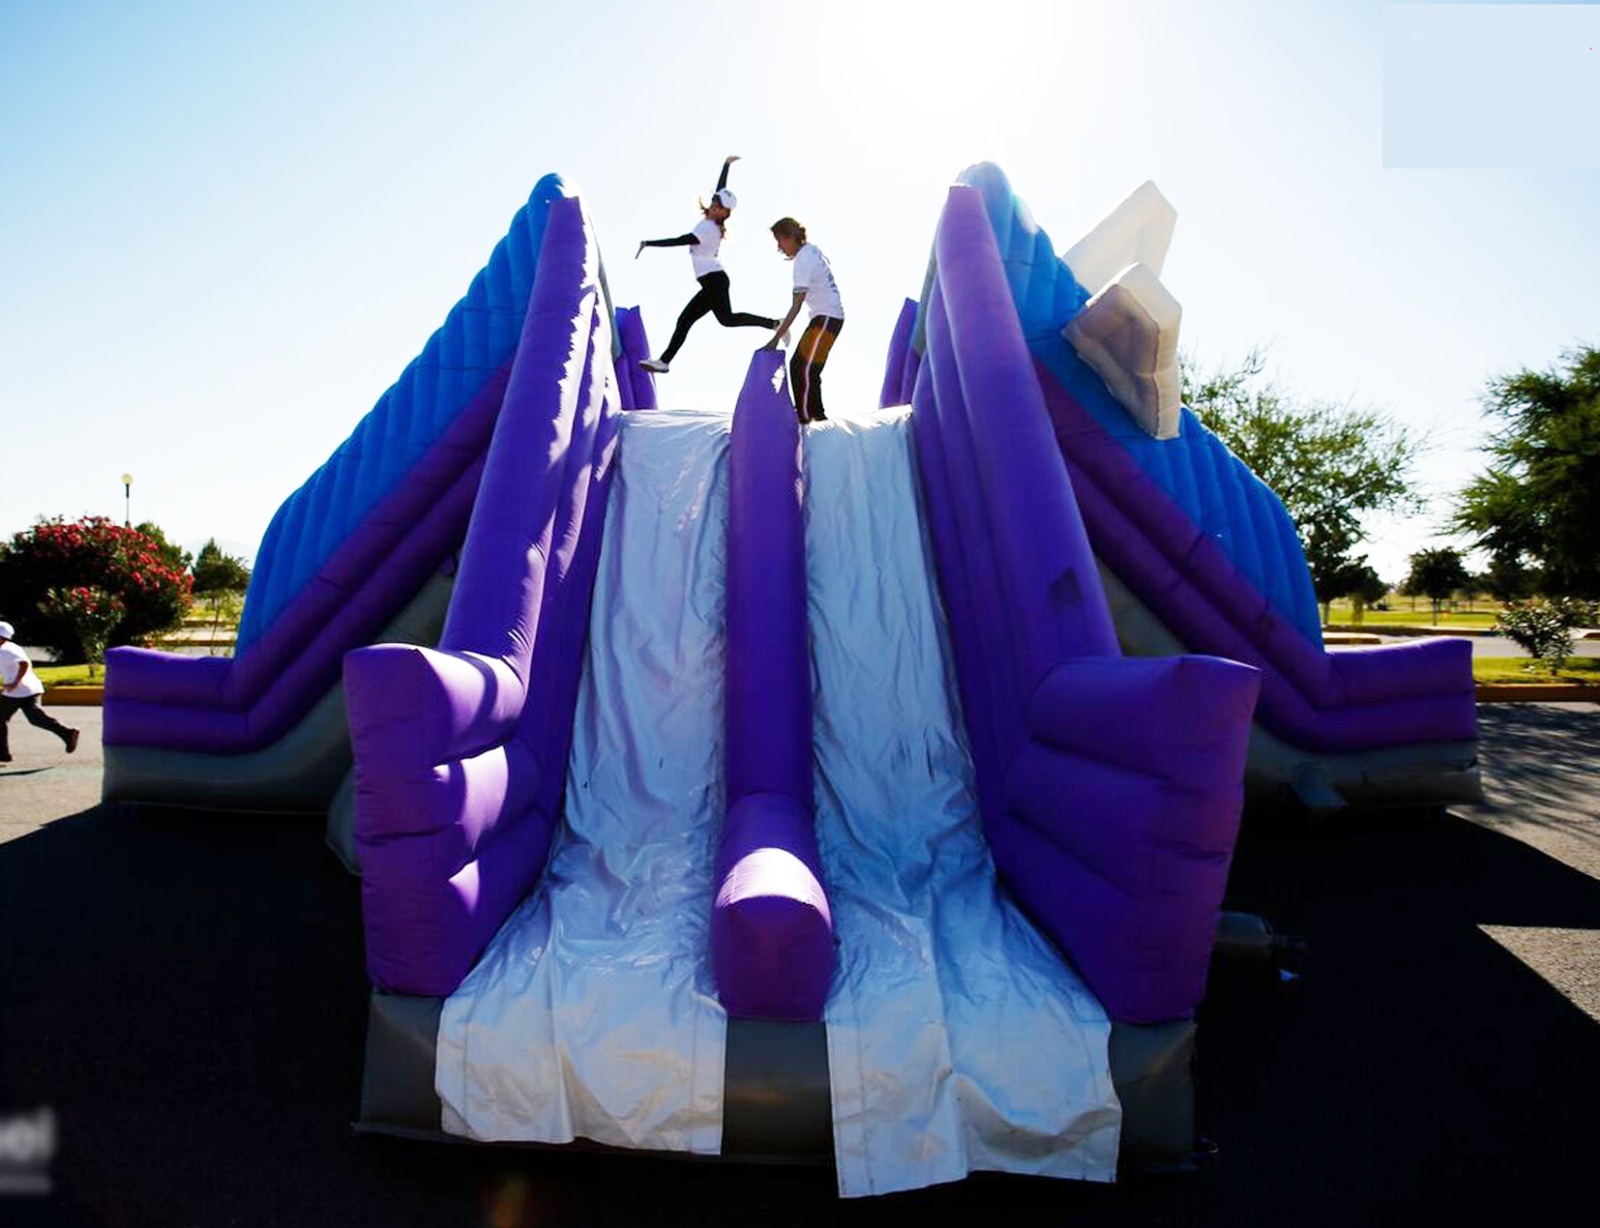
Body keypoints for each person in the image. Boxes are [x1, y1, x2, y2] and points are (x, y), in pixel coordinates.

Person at [635, 155, 779, 373]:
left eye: (718, 205)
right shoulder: (711, 221)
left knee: (697, 320)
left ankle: (775, 324)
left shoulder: (707, 230)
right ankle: (774, 324)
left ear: (724, 213)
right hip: (713, 281)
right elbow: (720, 188)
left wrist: (649, 243)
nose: (713, 205)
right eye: (714, 201)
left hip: (715, 281)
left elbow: (680, 240)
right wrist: (726, 166)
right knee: (716, 320)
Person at [762, 217, 844, 425]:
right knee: (807, 367)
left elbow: (796, 306)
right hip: (826, 317)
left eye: (780, 241)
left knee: (802, 366)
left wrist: (775, 339)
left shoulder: (803, 260)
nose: (779, 247)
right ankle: (815, 415)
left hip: (827, 317)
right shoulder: (810, 251)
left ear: (791, 237)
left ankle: (806, 418)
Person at [0, 620, 80, 763]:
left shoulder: (6, 650)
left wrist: (14, 682)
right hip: (28, 688)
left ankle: (3, 754)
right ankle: (67, 733)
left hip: (19, 690)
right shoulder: (9, 647)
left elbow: (23, 664)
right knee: (36, 718)